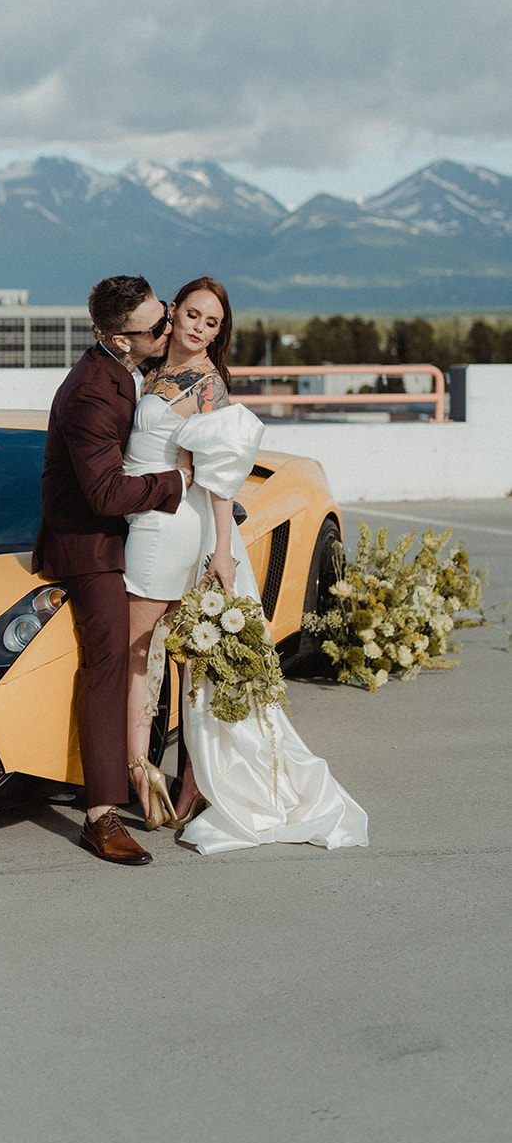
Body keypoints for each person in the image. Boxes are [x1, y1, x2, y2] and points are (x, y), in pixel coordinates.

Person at [122, 276, 368, 855]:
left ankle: (167, 782)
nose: (199, 328)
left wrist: (224, 555)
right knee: (160, 655)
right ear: (174, 310)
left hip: (185, 527)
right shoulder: (150, 365)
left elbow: (218, 479)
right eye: (193, 315)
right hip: (146, 518)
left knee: (174, 657)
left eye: (212, 323)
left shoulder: (207, 386)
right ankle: (168, 780)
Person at [34, 275, 192, 865]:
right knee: (109, 659)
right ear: (118, 339)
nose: (169, 328)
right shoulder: (91, 392)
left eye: (166, 315)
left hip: (138, 534)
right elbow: (101, 494)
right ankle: (100, 814)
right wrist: (177, 484)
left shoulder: (132, 370)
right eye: (158, 326)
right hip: (90, 545)